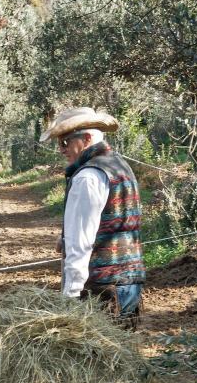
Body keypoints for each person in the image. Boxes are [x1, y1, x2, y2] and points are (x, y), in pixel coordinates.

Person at [40, 106, 146, 328]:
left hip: (101, 290)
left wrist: (69, 299)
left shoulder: (87, 177)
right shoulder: (120, 166)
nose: (61, 149)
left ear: (86, 138)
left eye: (65, 142)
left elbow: (81, 244)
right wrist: (66, 237)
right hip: (130, 282)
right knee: (120, 357)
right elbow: (113, 219)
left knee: (91, 362)